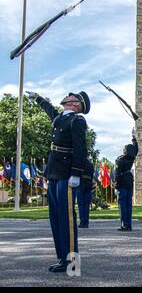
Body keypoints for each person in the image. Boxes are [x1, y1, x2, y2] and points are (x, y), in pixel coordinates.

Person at [28, 90, 89, 273]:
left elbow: (81, 149)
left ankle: (72, 262)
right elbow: (51, 111)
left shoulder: (77, 121)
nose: (67, 96)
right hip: (54, 174)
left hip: (66, 175)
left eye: (72, 96)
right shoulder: (61, 118)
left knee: (67, 219)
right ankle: (63, 258)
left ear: (76, 104)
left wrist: (76, 173)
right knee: (55, 218)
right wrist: (38, 98)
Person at [114, 129, 139, 231]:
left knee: (122, 205)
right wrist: (134, 139)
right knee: (129, 204)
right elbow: (136, 149)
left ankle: (124, 224)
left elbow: (117, 174)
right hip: (129, 182)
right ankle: (129, 224)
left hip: (122, 183)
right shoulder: (131, 158)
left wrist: (116, 186)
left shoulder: (120, 160)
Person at [76, 159, 94, 228]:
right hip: (88, 183)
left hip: (81, 183)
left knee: (81, 204)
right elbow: (92, 175)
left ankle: (82, 222)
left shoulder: (80, 163)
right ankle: (86, 222)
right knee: (87, 204)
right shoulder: (90, 164)